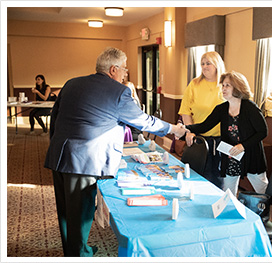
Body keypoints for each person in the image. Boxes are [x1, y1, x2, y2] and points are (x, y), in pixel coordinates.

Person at [44, 47, 186, 257]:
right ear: (113, 69)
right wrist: (173, 129)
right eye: (124, 69)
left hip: (59, 154)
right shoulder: (119, 92)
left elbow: (54, 118)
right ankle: (78, 255)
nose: (125, 74)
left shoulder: (71, 83)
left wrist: (57, 143)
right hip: (84, 160)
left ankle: (76, 248)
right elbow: (144, 121)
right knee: (81, 213)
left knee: (66, 210)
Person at [185, 71, 268, 196]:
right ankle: (230, 213)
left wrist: (242, 146)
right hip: (231, 156)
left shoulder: (250, 108)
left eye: (227, 85)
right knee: (228, 193)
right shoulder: (222, 109)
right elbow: (204, 126)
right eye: (223, 85)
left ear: (238, 87)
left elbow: (263, 132)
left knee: (262, 191)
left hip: (251, 156)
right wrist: (186, 128)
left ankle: (267, 215)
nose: (223, 88)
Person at [178, 51, 226, 189]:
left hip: (220, 140)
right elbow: (186, 111)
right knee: (196, 176)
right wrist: (190, 131)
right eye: (202, 64)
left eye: (208, 63)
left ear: (217, 65)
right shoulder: (194, 84)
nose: (204, 67)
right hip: (199, 138)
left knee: (218, 179)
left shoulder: (225, 85)